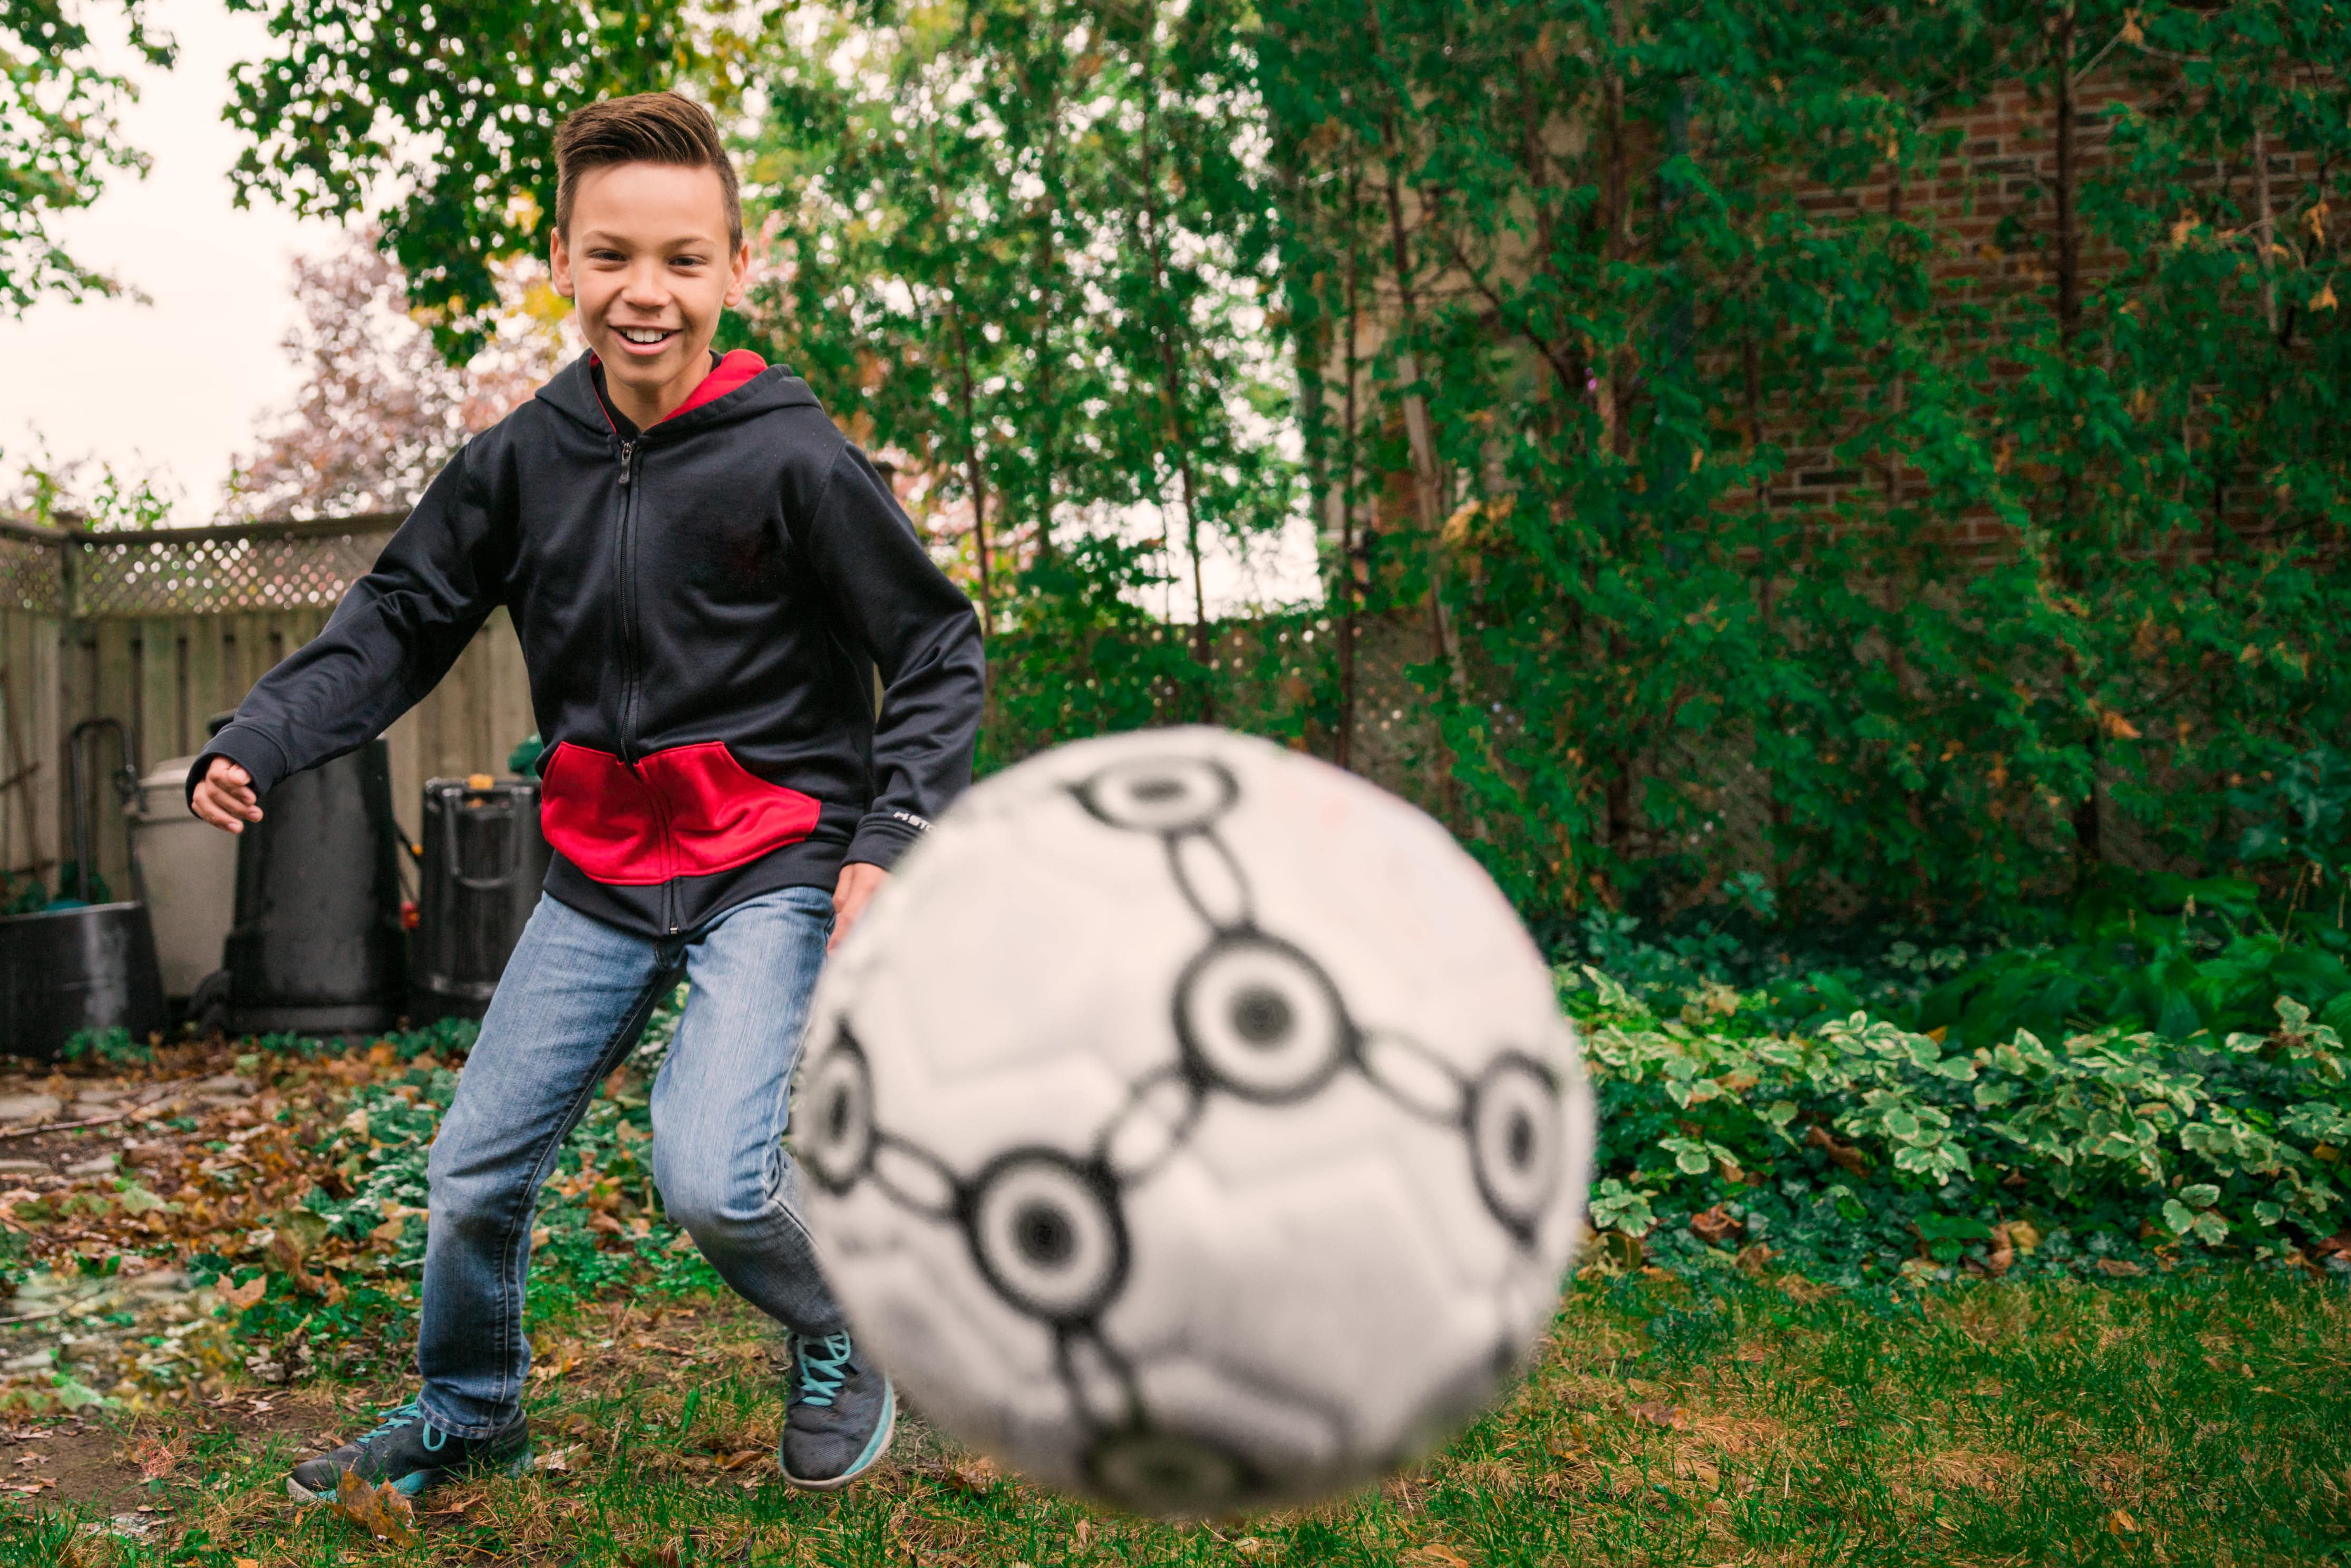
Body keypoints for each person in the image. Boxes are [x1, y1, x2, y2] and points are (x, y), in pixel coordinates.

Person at [187, 91, 985, 1500]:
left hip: (771, 856)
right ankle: (471, 1407)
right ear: (563, 260)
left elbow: (932, 644)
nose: (646, 293)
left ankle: (840, 1320)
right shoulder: (520, 463)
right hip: (606, 873)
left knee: (711, 1178)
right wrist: (267, 729)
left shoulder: (791, 456)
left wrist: (892, 832)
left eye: (684, 259)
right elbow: (401, 613)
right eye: (612, 255)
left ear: (737, 269)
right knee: (473, 1169)